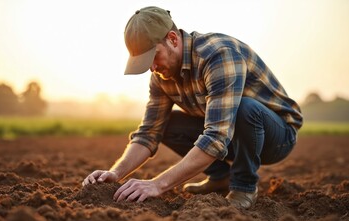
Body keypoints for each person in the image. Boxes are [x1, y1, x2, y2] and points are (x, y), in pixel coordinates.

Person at [82, 6, 303, 209]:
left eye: (154, 56)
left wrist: (157, 184)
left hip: (275, 137)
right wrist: (116, 172)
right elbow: (149, 133)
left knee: (245, 108)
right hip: (231, 136)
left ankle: (244, 186)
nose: (152, 68)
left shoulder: (218, 56)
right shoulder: (161, 76)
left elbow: (216, 138)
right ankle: (220, 178)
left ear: (172, 39)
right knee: (166, 124)